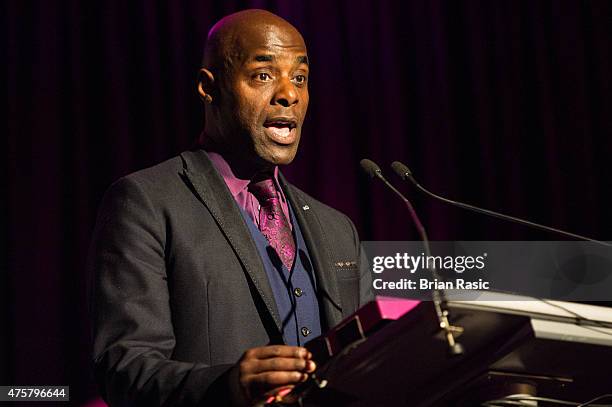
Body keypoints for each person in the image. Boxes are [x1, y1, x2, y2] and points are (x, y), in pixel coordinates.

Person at [90, 9, 371, 407]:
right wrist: (228, 386)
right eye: (263, 75)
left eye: (300, 78)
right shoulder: (146, 203)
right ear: (210, 87)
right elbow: (125, 369)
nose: (289, 93)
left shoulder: (337, 227)